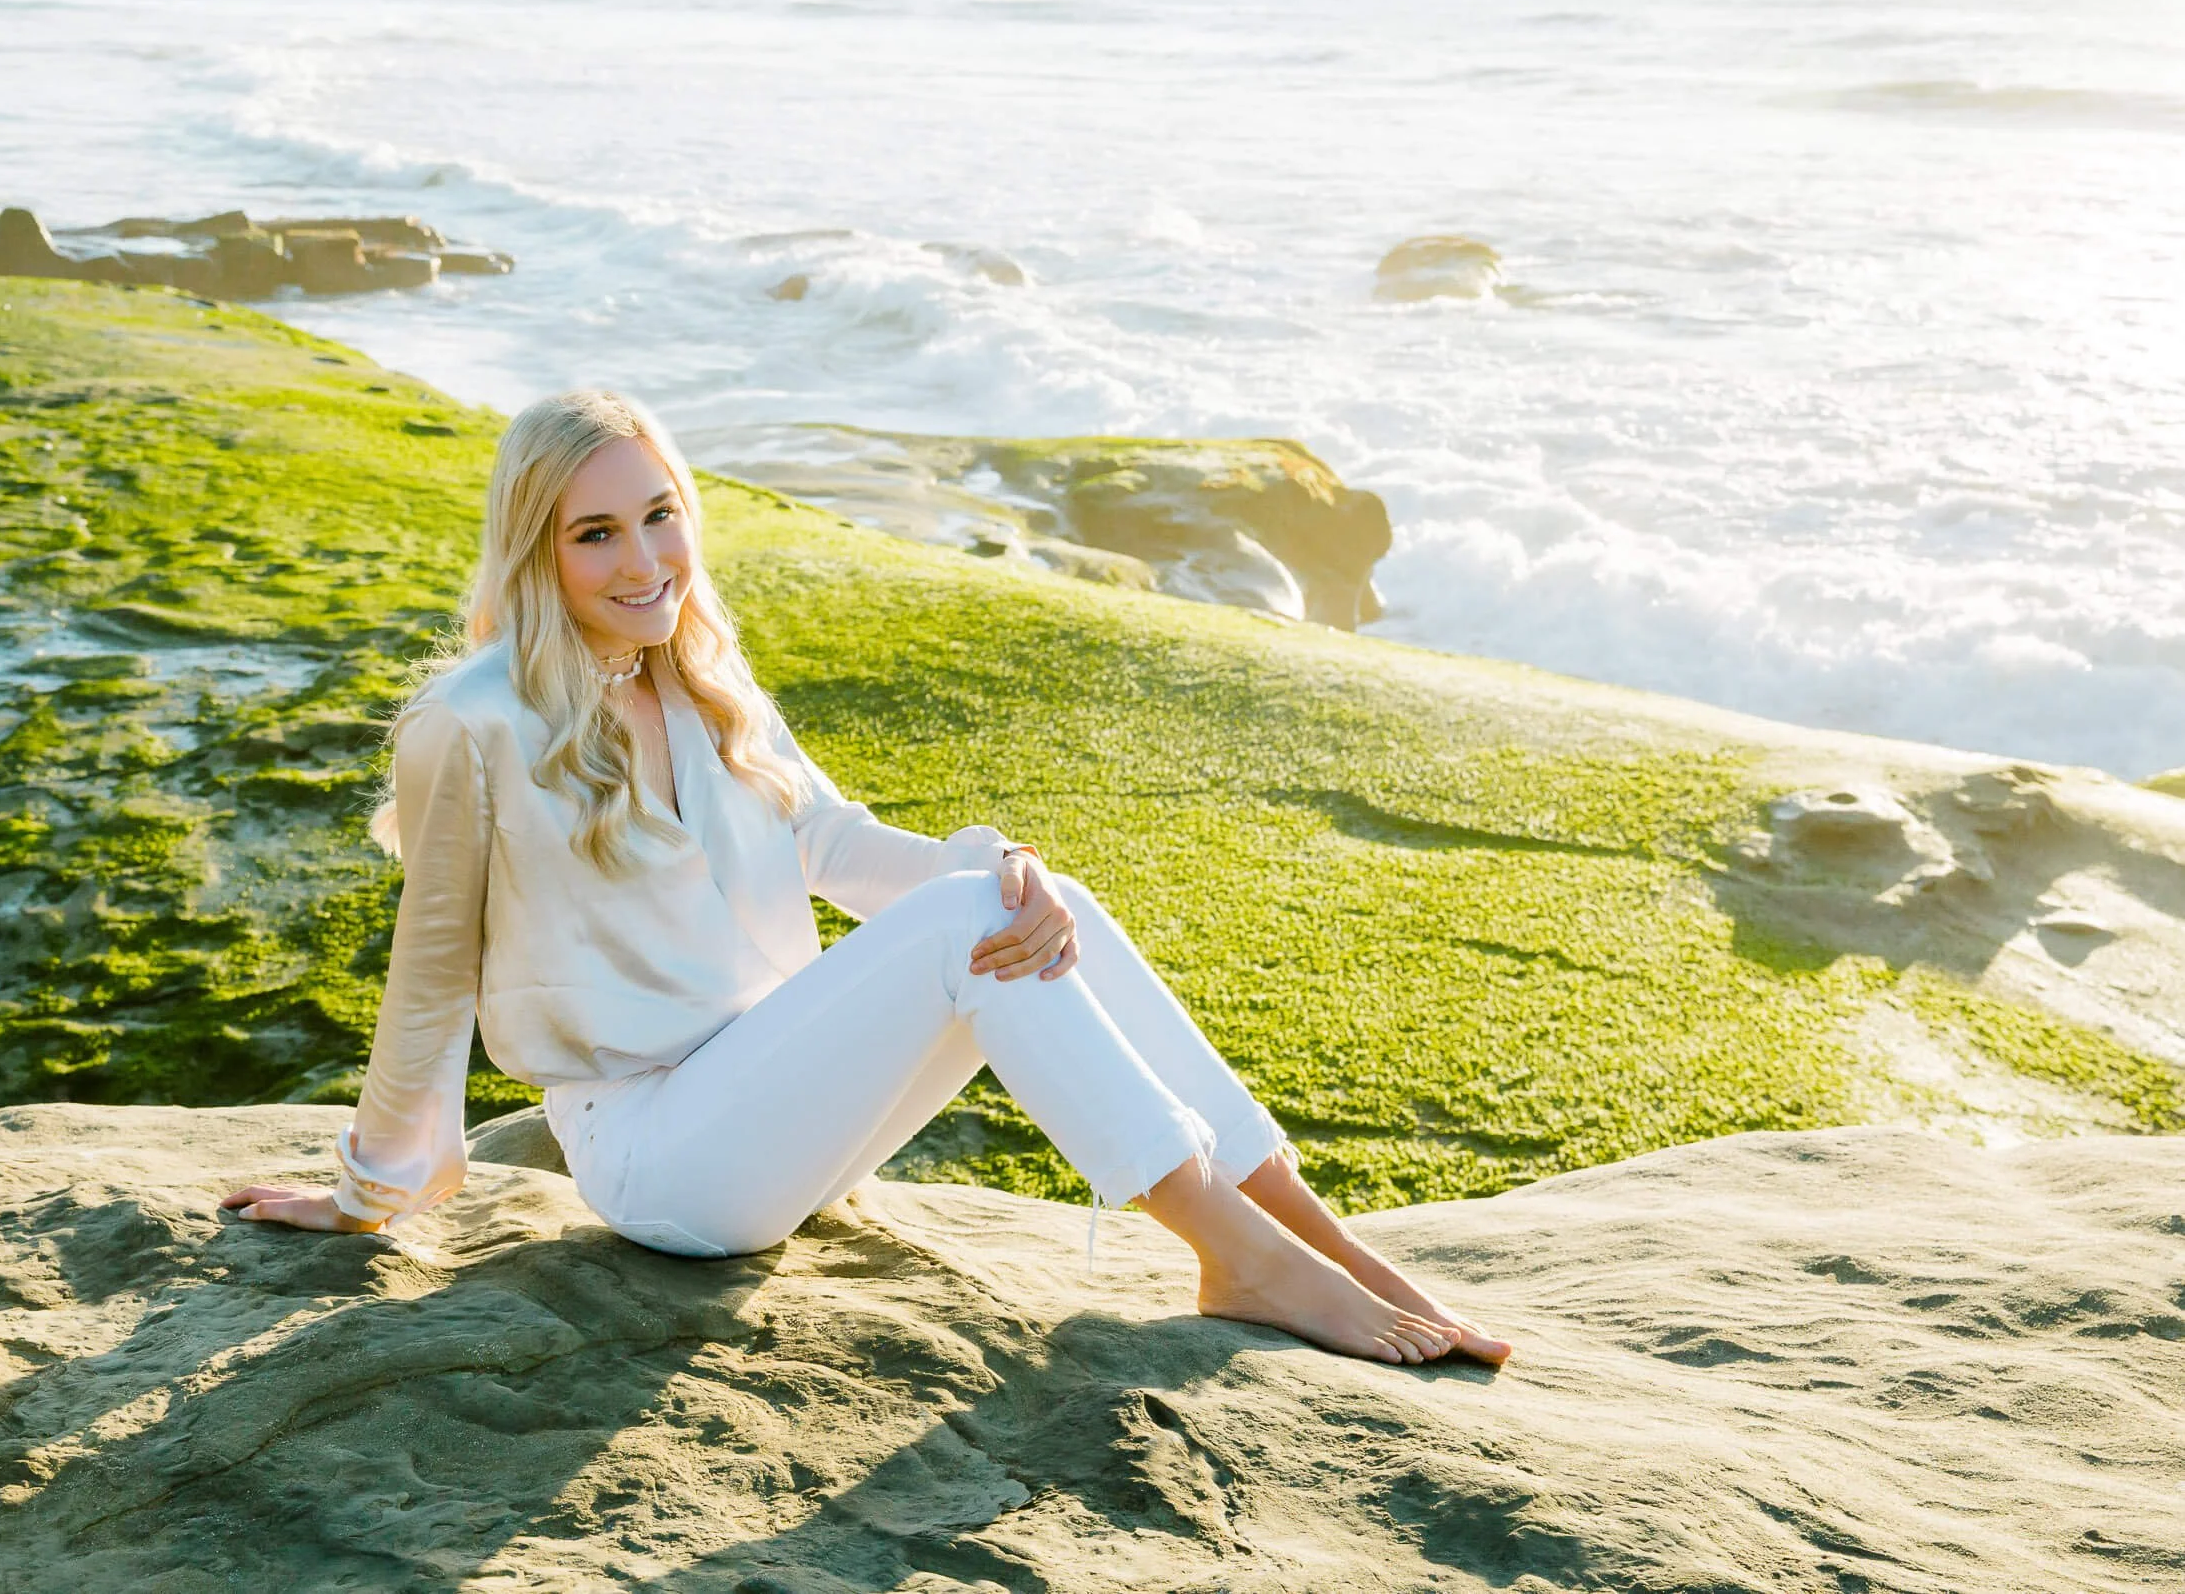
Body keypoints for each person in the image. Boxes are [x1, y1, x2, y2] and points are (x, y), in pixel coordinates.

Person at [221, 389, 1509, 1368]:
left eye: (660, 515)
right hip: (660, 1158)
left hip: (785, 1111)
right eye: (596, 534)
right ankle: (1238, 1261)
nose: (643, 563)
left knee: (1013, 899)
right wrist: (369, 1189)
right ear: (535, 551)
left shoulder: (701, 678)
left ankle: (1315, 1241)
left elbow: (834, 849)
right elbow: (432, 964)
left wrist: (1005, 866)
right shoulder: (477, 720)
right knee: (977, 920)